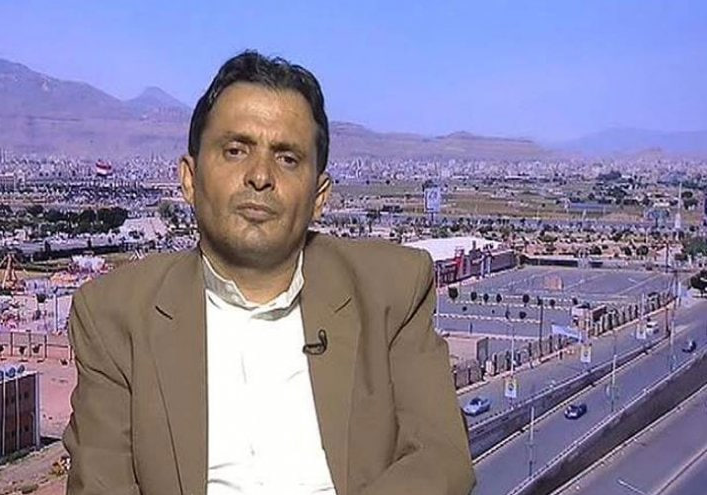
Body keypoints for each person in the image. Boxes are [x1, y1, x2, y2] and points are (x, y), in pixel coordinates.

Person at [64, 50, 475, 495]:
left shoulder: (391, 290)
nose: (259, 175)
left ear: (320, 196)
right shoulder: (114, 316)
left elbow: (441, 461)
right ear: (189, 179)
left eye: (287, 158)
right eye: (235, 150)